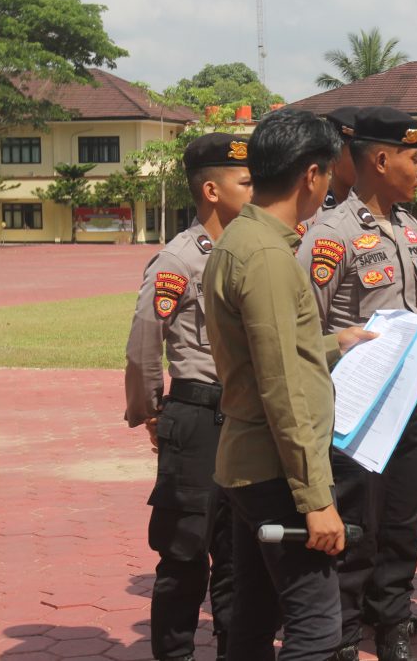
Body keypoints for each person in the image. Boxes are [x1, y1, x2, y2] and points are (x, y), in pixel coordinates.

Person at [202, 109, 374, 660]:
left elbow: (266, 354)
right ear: (311, 175)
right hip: (278, 469)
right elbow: (282, 387)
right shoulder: (268, 256)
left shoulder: (241, 239)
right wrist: (315, 498)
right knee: (316, 626)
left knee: (253, 616)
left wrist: (333, 342)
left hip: (251, 460)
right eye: (330, 173)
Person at [305, 106, 417, 661]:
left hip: (410, 405)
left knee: (406, 516)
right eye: (415, 158)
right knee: (354, 523)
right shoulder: (330, 234)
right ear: (381, 160)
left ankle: (394, 621)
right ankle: (341, 631)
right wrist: (338, 343)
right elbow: (300, 329)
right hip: (353, 409)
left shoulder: (410, 228)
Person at [124, 132, 252, 661]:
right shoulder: (178, 259)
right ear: (211, 190)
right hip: (198, 414)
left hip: (246, 416)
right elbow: (144, 343)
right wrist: (151, 410)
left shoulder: (255, 251)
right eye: (246, 182)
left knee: (238, 555)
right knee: (184, 552)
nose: (257, 191)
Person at [296, 106, 361, 239]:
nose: (368, 163)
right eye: (358, 155)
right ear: (334, 157)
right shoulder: (308, 212)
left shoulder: (387, 212)